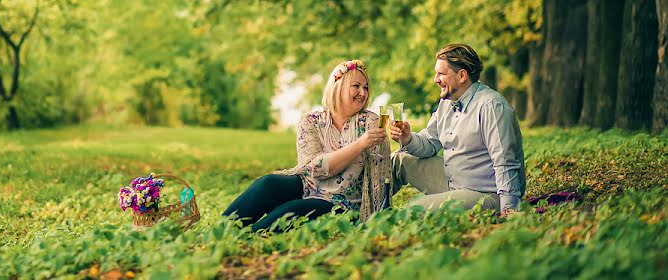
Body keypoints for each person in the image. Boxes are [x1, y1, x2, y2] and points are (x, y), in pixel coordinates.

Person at [222, 59, 392, 232]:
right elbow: (313, 169)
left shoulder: (371, 123)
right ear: (338, 86)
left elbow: (381, 178)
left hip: (343, 205)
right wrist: (360, 144)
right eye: (356, 86)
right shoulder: (311, 121)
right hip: (308, 187)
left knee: (292, 211)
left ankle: (245, 238)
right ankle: (220, 230)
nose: (362, 93)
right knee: (268, 183)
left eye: (366, 88)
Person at [389, 44, 525, 217]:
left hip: (487, 194)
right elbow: (429, 143)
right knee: (398, 160)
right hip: (453, 179)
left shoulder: (491, 106)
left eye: (441, 74)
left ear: (462, 75)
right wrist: (408, 138)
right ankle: (362, 213)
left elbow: (505, 161)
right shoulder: (447, 102)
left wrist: (509, 208)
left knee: (415, 208)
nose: (435, 79)